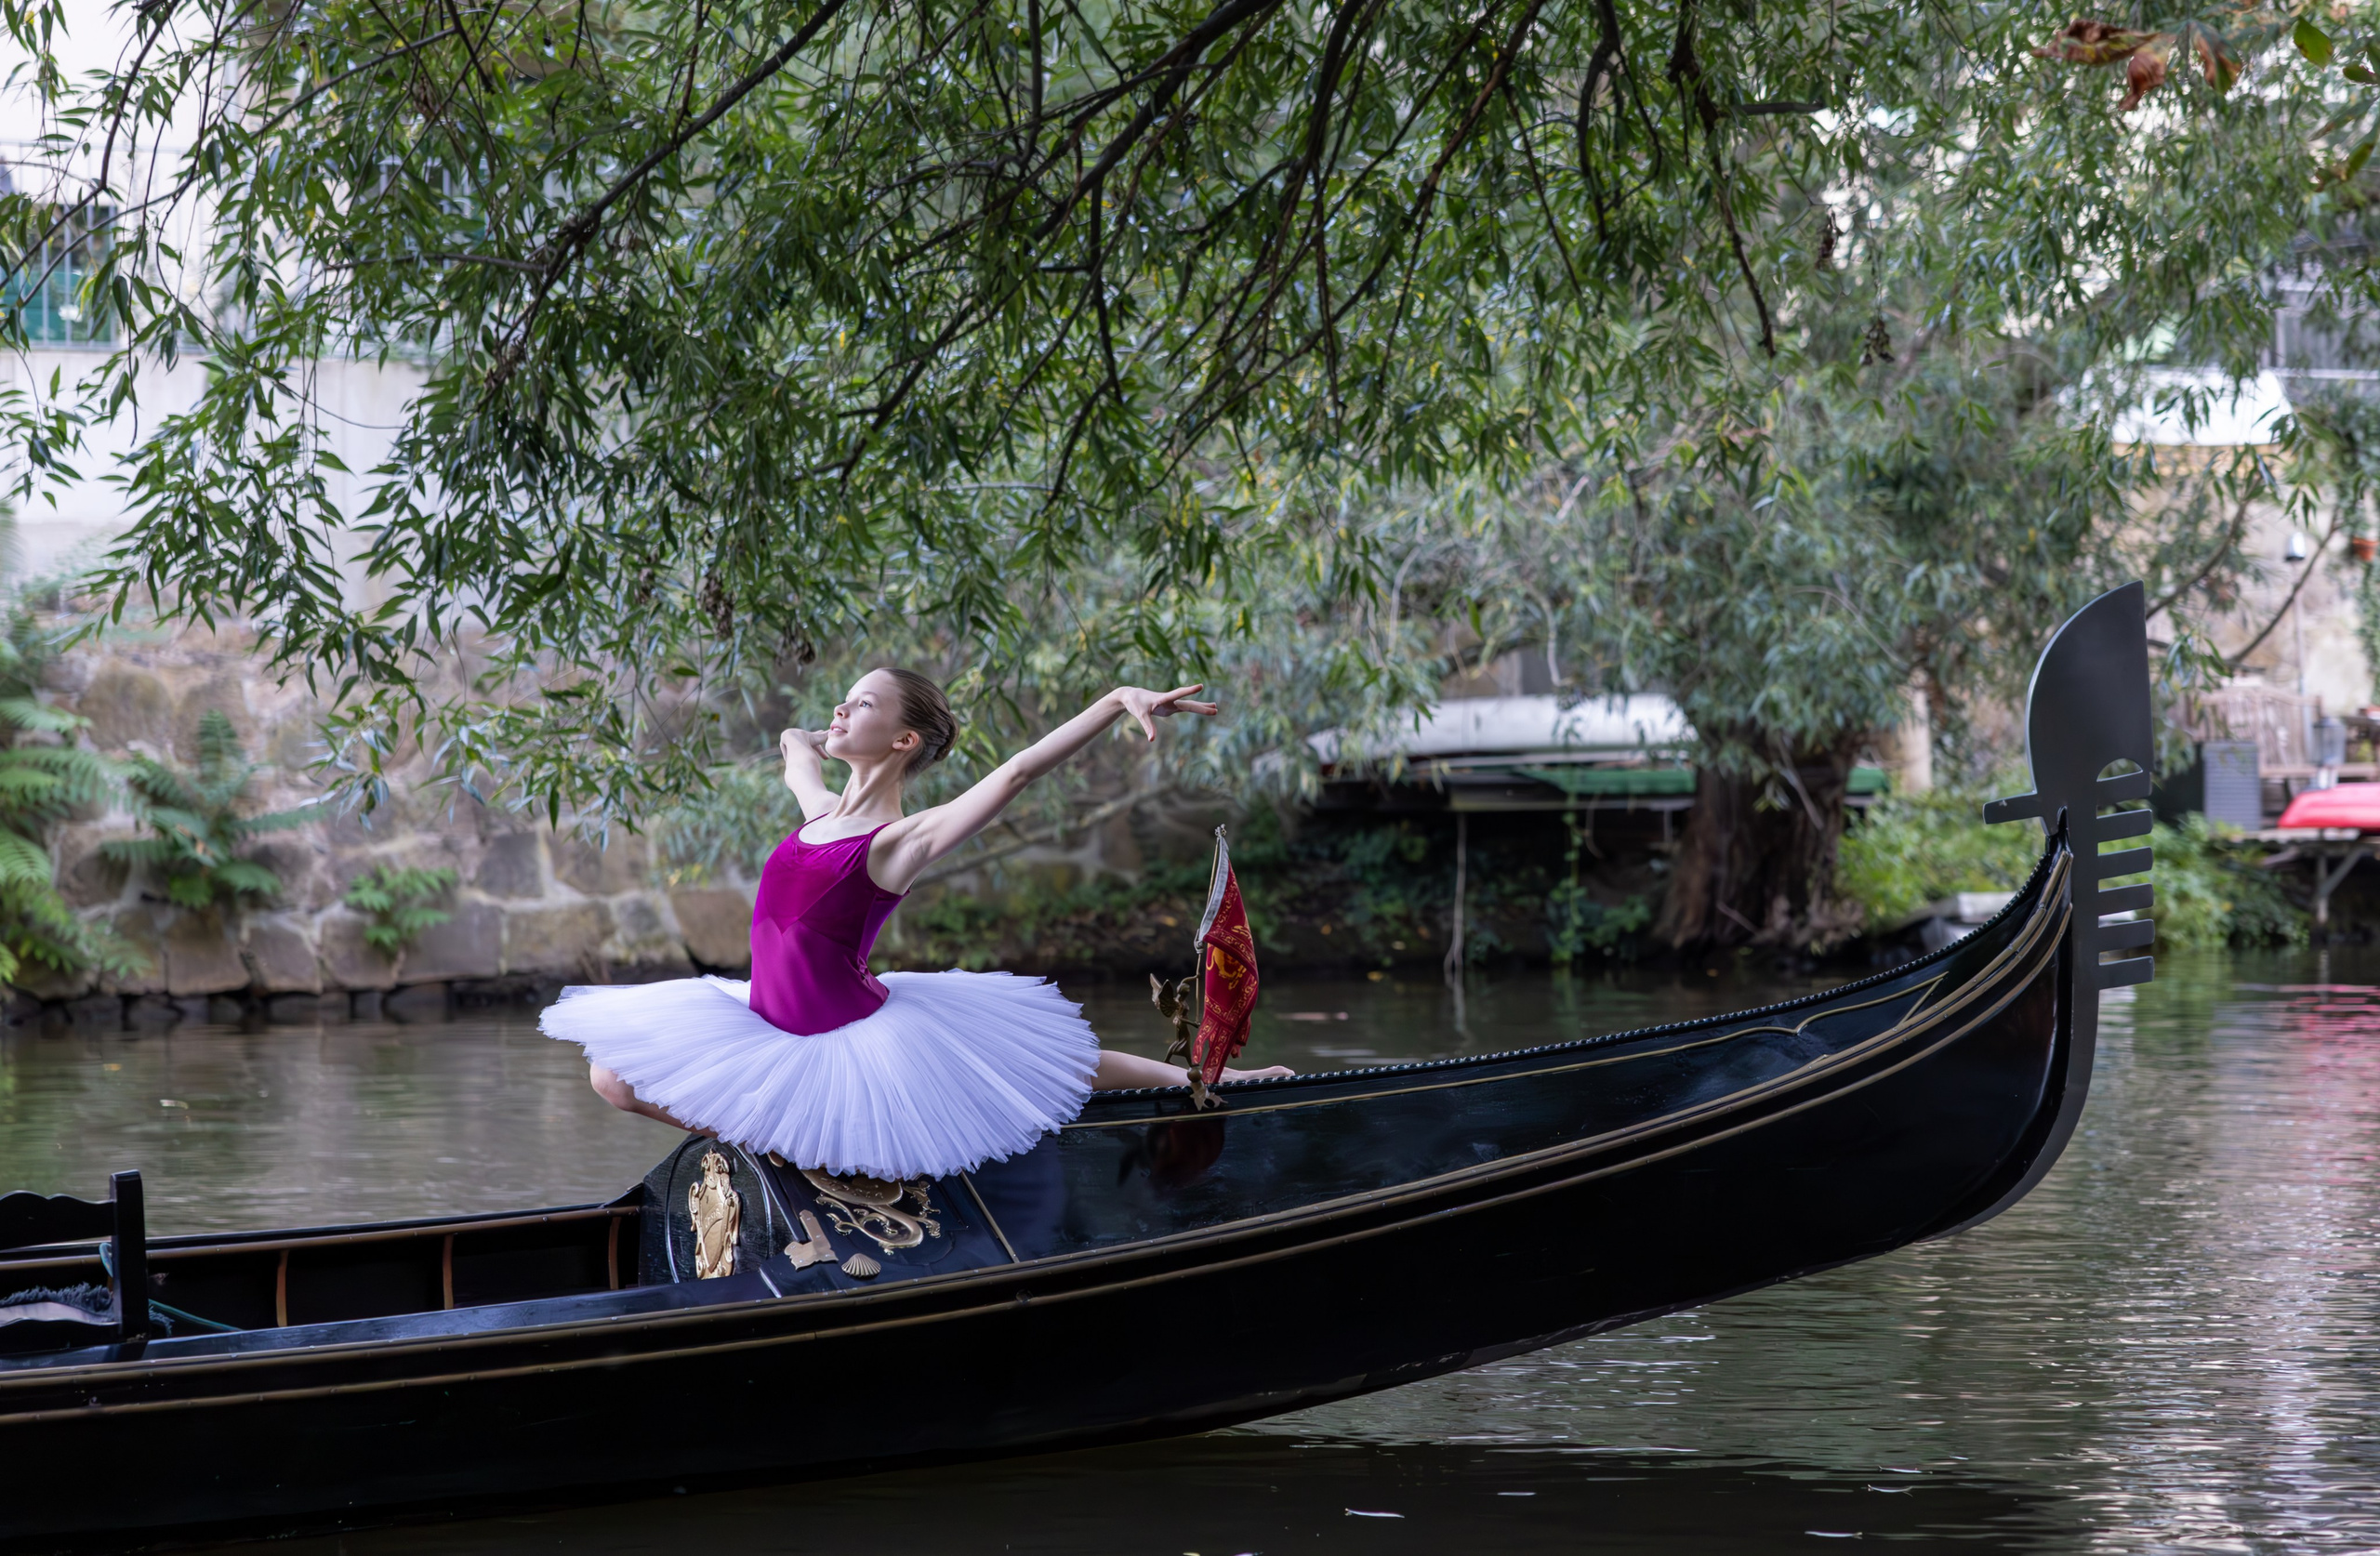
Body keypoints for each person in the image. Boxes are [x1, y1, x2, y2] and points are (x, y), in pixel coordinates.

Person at [541, 668, 1292, 1180]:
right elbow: (794, 760)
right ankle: (778, 1150)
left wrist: (1110, 703)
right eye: (844, 699)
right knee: (612, 1077)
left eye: (862, 704)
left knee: (1045, 1065)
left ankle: (1216, 1079)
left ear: (905, 741)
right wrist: (806, 743)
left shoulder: (900, 842)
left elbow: (1018, 773)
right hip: (765, 1022)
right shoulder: (819, 815)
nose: (842, 709)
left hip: (837, 1033)